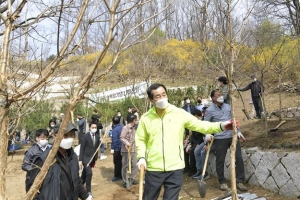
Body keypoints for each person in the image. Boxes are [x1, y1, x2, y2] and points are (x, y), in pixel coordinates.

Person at [135, 83, 238, 200]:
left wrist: (221, 125)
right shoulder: (146, 118)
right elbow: (140, 139)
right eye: (158, 96)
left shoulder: (179, 113)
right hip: (154, 168)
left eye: (164, 94)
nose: (162, 98)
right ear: (151, 100)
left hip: (175, 168)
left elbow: (200, 125)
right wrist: (141, 158)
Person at [29, 123, 92, 200]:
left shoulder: (73, 156)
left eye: (71, 135)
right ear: (55, 136)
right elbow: (31, 187)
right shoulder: (44, 159)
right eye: (66, 135)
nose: (69, 138)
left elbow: (76, 181)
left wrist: (86, 197)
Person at [204, 89, 247, 191]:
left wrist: (239, 131)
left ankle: (240, 181)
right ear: (213, 98)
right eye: (218, 95)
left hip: (232, 136)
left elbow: (234, 120)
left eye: (221, 94)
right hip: (220, 138)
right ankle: (222, 181)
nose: (221, 96)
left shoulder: (228, 107)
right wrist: (207, 134)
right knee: (220, 160)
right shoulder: (209, 110)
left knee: (238, 158)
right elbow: (205, 124)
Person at [79, 122, 101, 196]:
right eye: (93, 127)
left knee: (84, 174)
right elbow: (82, 148)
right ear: (89, 128)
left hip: (92, 159)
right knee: (89, 173)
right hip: (85, 158)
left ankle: (79, 186)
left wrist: (95, 160)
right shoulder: (85, 136)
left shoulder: (97, 137)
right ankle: (88, 191)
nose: (94, 129)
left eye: (95, 128)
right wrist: (80, 160)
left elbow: (96, 148)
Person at [121, 114, 139, 188]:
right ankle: (125, 181)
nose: (137, 121)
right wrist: (126, 143)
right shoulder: (125, 128)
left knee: (135, 165)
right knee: (125, 166)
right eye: (136, 119)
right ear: (133, 120)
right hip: (126, 150)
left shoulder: (135, 128)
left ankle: (131, 179)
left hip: (134, 149)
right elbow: (122, 137)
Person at [110, 116, 123, 182]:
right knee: (121, 162)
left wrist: (112, 148)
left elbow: (114, 140)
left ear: (113, 122)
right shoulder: (122, 127)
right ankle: (121, 174)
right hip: (123, 148)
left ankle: (117, 175)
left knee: (117, 162)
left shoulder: (115, 130)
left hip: (117, 148)